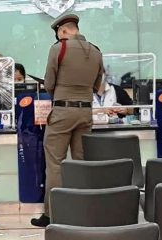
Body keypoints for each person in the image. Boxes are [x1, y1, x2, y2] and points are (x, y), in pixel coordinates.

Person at [30, 14, 104, 227]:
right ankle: (82, 212)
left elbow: (50, 83)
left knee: (55, 164)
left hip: (62, 112)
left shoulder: (59, 49)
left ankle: (53, 215)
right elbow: (97, 85)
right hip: (85, 113)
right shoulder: (96, 51)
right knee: (81, 163)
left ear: (62, 31)